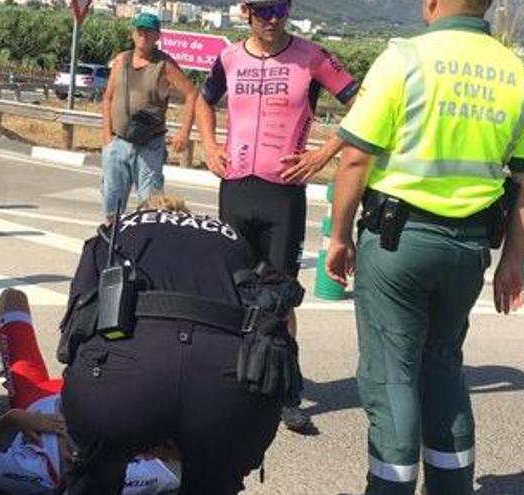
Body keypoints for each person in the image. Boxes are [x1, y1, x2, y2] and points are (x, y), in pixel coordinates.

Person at [325, 0, 524, 493]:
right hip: (468, 249)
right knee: (444, 364)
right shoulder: (523, 76)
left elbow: (355, 161)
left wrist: (340, 237)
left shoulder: (404, 59)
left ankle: (391, 486)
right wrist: (513, 262)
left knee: (392, 374)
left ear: (431, 3)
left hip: (397, 243)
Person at [58, 193, 303, 494]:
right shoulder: (232, 238)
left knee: (95, 472)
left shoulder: (114, 233)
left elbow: (75, 327)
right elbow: (279, 316)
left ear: (141, 213)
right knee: (214, 478)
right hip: (227, 384)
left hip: (122, 381)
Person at [195, 0, 359, 433]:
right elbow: (202, 99)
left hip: (282, 193)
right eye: (265, 9)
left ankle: (286, 393)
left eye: (281, 8)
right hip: (236, 187)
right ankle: (233, 383)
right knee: (233, 289)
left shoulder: (312, 56)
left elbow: (362, 104)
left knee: (280, 296)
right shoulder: (229, 57)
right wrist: (210, 146)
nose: (273, 19)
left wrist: (323, 153)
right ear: (247, 10)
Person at [0, 288, 180, 495]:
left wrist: (12, 419)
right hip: (101, 389)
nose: (74, 459)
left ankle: (8, 366)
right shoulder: (137, 479)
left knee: (13, 298)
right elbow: (186, 459)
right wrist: (154, 445)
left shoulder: (34, 477)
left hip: (36, 398)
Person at [100, 13, 199, 224]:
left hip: (149, 144)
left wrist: (184, 132)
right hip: (118, 142)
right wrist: (107, 137)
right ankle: (110, 244)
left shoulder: (164, 65)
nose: (143, 35)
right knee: (112, 204)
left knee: (151, 205)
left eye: (149, 32)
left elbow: (191, 94)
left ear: (157, 37)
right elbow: (107, 98)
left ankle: (146, 249)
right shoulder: (121, 61)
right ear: (133, 33)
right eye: (140, 30)